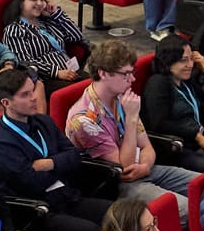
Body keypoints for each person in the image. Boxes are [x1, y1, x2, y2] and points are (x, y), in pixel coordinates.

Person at [67, 39, 196, 198]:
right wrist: (131, 119)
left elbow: (147, 146)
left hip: (143, 167)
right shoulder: (83, 119)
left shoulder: (121, 96)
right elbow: (123, 167)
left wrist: (146, 166)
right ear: (103, 73)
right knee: (180, 207)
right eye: (126, 74)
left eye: (132, 73)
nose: (132, 79)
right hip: (114, 183)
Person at [139, 33, 204, 168]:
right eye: (183, 60)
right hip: (179, 148)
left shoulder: (186, 82)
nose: (190, 65)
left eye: (191, 59)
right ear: (168, 61)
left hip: (201, 140)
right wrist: (196, 136)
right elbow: (159, 124)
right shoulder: (158, 83)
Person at [1, 0, 90, 81]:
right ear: (20, 3)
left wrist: (55, 13)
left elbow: (76, 36)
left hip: (69, 71)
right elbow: (24, 61)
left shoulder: (46, 21)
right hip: (45, 79)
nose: (39, 3)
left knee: (97, 85)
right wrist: (56, 72)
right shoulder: (14, 31)